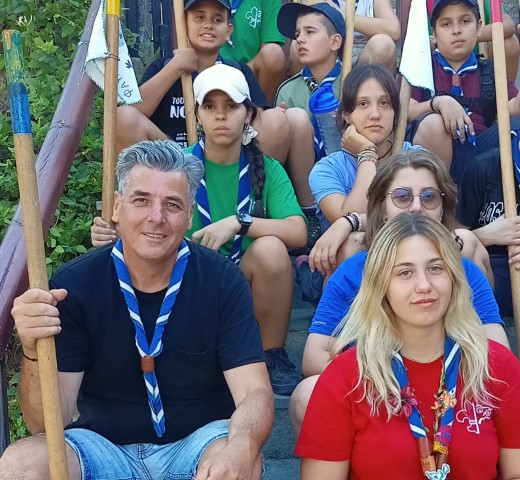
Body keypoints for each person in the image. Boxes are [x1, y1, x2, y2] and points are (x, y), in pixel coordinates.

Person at [0, 140, 273, 480]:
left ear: (189, 215)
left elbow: (254, 392)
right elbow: (45, 423)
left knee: (238, 458)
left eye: (172, 204)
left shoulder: (222, 281)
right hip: (102, 447)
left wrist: (243, 444)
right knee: (21, 464)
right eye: (141, 200)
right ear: (117, 206)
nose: (156, 217)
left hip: (196, 442)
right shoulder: (74, 286)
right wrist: (32, 350)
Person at [93, 64, 308, 396]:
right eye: (209, 106)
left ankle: (271, 354)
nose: (220, 115)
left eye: (231, 106)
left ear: (249, 115)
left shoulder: (268, 168)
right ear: (196, 116)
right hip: (185, 278)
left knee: (272, 250)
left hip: (241, 280)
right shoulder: (176, 168)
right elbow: (148, 225)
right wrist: (111, 235)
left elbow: (298, 231)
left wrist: (239, 222)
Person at [290, 149, 508, 438]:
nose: (416, 207)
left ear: (442, 208)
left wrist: (429, 384)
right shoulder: (354, 270)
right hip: (375, 390)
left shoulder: (464, 271)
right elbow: (313, 358)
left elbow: (500, 354)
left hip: (451, 395)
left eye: (429, 197)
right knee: (308, 392)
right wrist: (392, 382)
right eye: (403, 197)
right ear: (383, 207)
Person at [296, 213, 520, 479]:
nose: (424, 285)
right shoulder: (345, 378)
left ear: (454, 278)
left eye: (436, 268)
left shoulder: (497, 366)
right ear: (381, 286)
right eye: (405, 272)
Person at [116, 0, 289, 172]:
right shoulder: (163, 67)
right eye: (199, 17)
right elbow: (131, 113)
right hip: (171, 164)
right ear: (183, 24)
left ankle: (254, 187)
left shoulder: (238, 72)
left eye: (217, 20)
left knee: (276, 119)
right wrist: (175, 68)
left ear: (228, 31)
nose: (208, 25)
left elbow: (256, 123)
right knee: (122, 115)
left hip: (223, 162)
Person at [407, 0, 520, 183]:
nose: (456, 30)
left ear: (479, 27)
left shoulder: (491, 70)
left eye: (465, 21)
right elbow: (406, 111)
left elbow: (512, 107)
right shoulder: (422, 69)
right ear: (434, 34)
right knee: (433, 124)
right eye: (446, 24)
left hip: (480, 153)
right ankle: (442, 195)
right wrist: (438, 102)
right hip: (435, 157)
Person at [456, 146, 520, 319]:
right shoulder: (483, 167)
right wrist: (487, 235)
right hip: (490, 272)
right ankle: (486, 328)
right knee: (464, 242)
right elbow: (452, 240)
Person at [289, 0, 400, 75]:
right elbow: (309, 28)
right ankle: (304, 97)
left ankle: (376, 98)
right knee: (296, 45)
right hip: (331, 58)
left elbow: (393, 30)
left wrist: (343, 16)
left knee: (383, 45)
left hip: (364, 60)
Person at [219, 0, 287, 104]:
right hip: (205, 66)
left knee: (273, 53)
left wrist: (240, 74)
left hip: (248, 72)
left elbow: (269, 51)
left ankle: (262, 108)